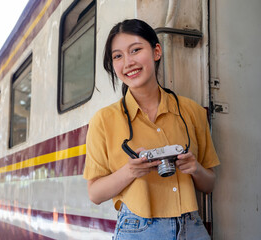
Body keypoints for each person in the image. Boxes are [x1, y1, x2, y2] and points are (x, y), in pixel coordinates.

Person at [83, 19, 220, 240]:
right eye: (118, 56)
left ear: (156, 51)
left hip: (191, 226)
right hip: (137, 228)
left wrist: (195, 168)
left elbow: (209, 184)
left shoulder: (191, 111)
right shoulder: (103, 120)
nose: (128, 62)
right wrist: (130, 171)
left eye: (135, 50)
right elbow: (95, 194)